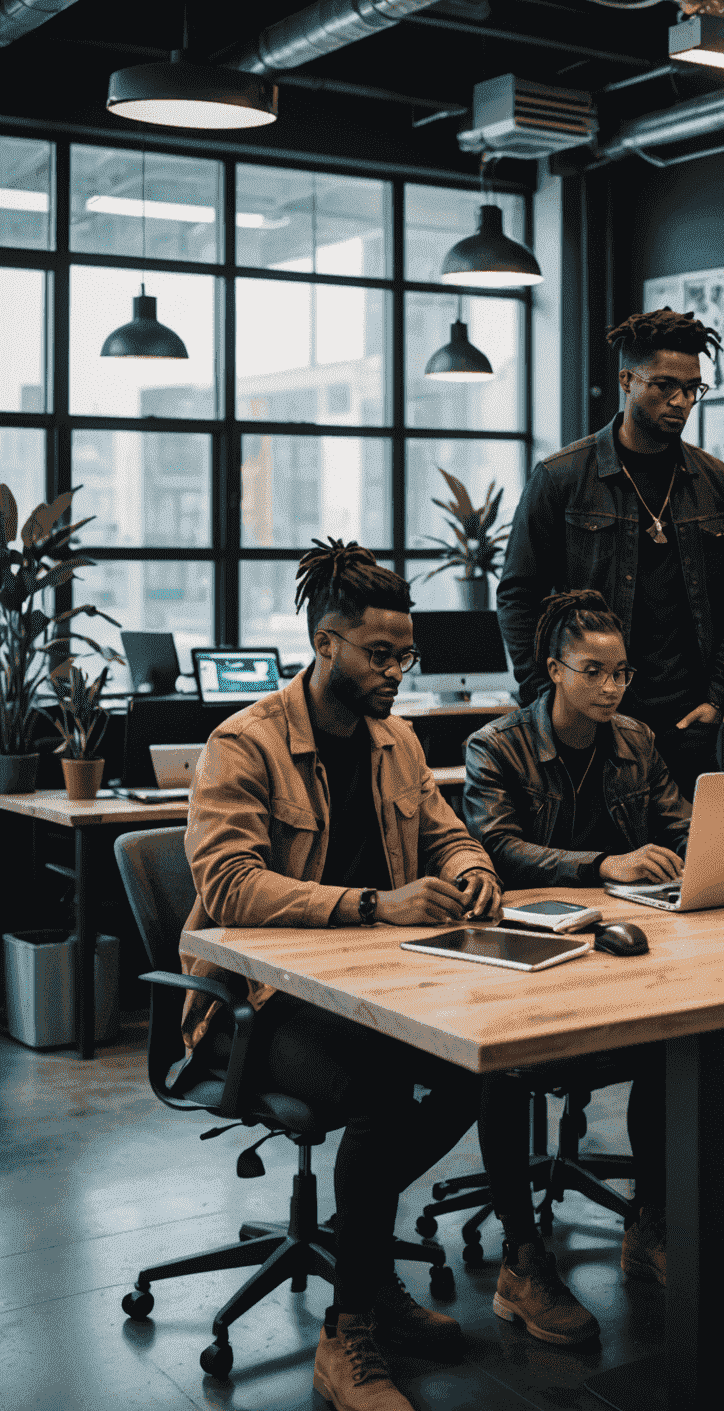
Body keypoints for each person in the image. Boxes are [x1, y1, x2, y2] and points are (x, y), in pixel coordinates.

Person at [183, 540, 503, 1411]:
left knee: (480, 1062)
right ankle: (351, 1326)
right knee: (379, 1087)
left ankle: (358, 1250)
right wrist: (372, 905)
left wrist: (475, 871)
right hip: (260, 1006)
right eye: (381, 654)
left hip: (381, 987)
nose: (398, 671)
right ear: (326, 645)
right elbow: (227, 885)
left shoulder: (394, 740)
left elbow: (448, 834)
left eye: (407, 654)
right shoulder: (241, 746)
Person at [462, 590, 689, 1345]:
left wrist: (719, 851)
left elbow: (681, 822)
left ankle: (648, 1223)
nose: (612, 688)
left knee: (674, 1038)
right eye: (594, 672)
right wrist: (605, 863)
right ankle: (521, 1260)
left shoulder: (636, 739)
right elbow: (497, 847)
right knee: (502, 1064)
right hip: (526, 952)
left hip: (617, 943)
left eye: (621, 672)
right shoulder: (498, 746)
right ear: (553, 669)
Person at [497, 308, 724, 800]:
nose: (679, 401)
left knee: (694, 864)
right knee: (599, 863)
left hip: (686, 723)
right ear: (626, 381)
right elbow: (517, 595)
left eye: (692, 388)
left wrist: (719, 698)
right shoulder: (563, 477)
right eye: (663, 385)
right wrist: (545, 698)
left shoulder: (713, 481)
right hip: (594, 719)